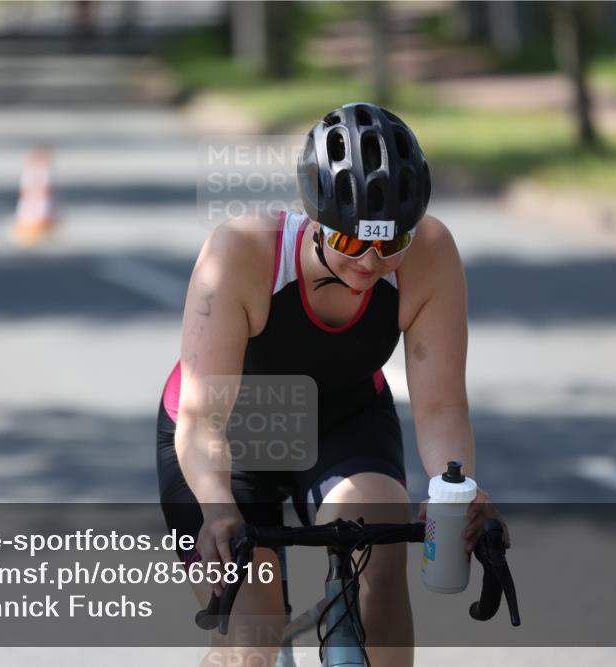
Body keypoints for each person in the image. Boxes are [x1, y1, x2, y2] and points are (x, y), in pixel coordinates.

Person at [156, 102, 501, 667]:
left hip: (343, 418)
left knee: (381, 549)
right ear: (312, 216)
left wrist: (453, 491)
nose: (369, 261)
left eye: (390, 244)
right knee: (253, 639)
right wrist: (219, 510)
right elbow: (202, 420)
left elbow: (439, 407)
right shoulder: (241, 253)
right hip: (227, 437)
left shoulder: (432, 253)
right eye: (349, 243)